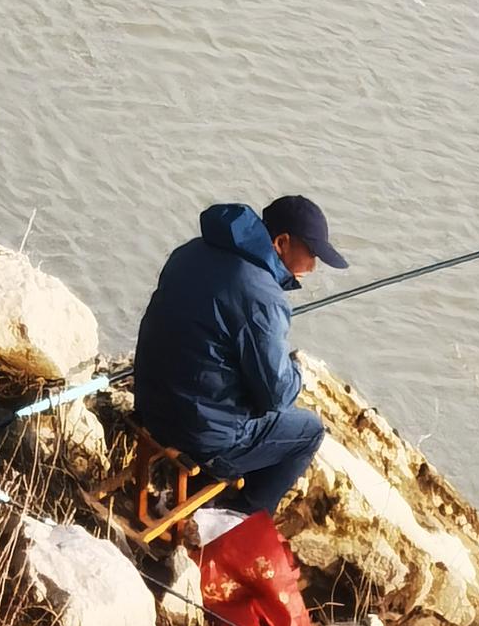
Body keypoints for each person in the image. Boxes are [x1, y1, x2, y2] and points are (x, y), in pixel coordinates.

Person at [132, 194, 347, 516]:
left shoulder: (191, 251)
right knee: (308, 430)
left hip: (148, 406)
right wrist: (296, 369)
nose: (313, 267)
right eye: (312, 254)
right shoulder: (262, 295)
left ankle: (195, 494)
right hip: (197, 434)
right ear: (282, 242)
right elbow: (277, 396)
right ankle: (237, 520)